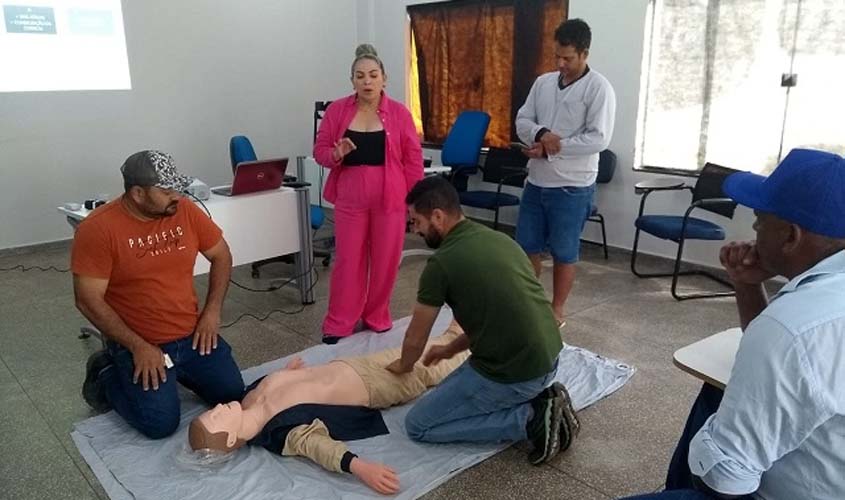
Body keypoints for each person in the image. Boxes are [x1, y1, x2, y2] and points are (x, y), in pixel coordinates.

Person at [620, 149, 845, 500]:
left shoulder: (794, 324)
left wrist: (714, 442)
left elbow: (725, 481)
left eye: (760, 219)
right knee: (718, 391)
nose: (754, 229)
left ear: (791, 236)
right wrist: (746, 283)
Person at [385, 176, 579, 465]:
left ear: (437, 216)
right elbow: (499, 316)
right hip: (549, 359)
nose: (415, 231)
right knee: (451, 393)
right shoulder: (499, 239)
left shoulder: (441, 263)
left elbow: (415, 337)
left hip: (517, 374)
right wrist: (450, 350)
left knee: (419, 425)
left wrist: (404, 365)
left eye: (416, 222)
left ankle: (530, 420)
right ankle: (541, 398)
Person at [72, 150, 245, 439]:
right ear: (137, 193)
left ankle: (178, 371)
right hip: (139, 340)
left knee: (232, 396)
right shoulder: (98, 229)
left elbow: (222, 256)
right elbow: (87, 299)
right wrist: (138, 347)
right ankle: (106, 373)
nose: (176, 196)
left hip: (191, 335)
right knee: (159, 425)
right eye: (166, 191)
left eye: (177, 188)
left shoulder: (185, 210)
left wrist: (212, 312)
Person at [188, 323, 470, 495]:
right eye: (216, 417)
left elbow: (283, 388)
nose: (218, 408)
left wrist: (287, 373)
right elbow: (320, 448)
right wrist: (361, 468)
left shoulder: (247, 399)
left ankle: (456, 333)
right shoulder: (280, 433)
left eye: (211, 411)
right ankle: (476, 345)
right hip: (374, 386)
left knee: (413, 352)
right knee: (433, 366)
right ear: (229, 439)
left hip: (353, 366)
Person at [313, 43, 424, 344]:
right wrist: (335, 153)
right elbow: (320, 151)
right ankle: (339, 322)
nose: (367, 81)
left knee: (386, 260)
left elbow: (413, 160)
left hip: (391, 200)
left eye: (373, 75)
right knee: (348, 261)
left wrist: (415, 202)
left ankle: (376, 315)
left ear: (384, 79)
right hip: (350, 199)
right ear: (352, 81)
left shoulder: (400, 114)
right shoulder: (337, 111)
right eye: (360, 76)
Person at [514, 18, 616, 327]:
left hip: (573, 185)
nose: (560, 63)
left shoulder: (599, 88)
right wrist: (541, 133)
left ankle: (557, 309)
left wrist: (550, 147)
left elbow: (599, 139)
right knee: (526, 246)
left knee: (563, 251)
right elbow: (523, 119)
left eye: (567, 58)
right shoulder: (543, 83)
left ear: (584, 53)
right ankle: (528, 303)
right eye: (556, 56)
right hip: (536, 181)